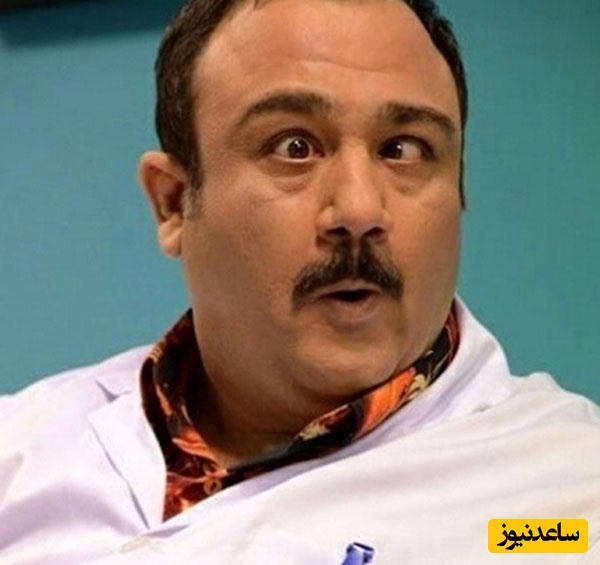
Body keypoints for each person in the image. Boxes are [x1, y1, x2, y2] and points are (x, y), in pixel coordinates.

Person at [1, 0, 599, 563]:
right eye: (294, 147)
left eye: (403, 149)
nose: (360, 210)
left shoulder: (564, 507)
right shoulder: (20, 451)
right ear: (175, 203)